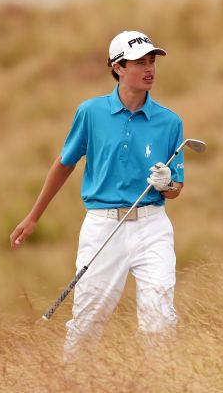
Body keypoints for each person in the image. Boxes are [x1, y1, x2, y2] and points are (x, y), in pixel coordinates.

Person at [10, 30, 185, 359]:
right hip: (103, 226)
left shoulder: (170, 122)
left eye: (152, 61)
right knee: (87, 322)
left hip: (152, 226)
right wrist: (34, 217)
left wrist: (166, 184)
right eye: (139, 63)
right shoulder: (91, 113)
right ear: (118, 68)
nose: (149, 69)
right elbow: (64, 165)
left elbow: (176, 188)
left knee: (160, 321)